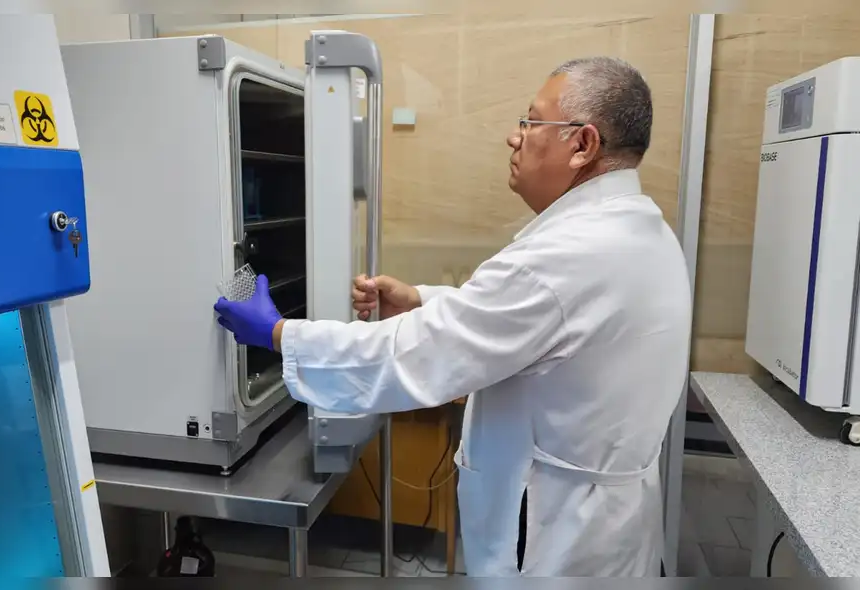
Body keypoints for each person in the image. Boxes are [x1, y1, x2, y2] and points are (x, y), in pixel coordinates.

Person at [214, 56, 692, 577]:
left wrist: (281, 334)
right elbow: (542, 326)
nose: (516, 137)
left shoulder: (565, 257)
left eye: (532, 122)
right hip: (611, 527)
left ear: (583, 145)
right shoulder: (643, 231)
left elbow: (417, 354)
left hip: (556, 539)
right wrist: (422, 299)